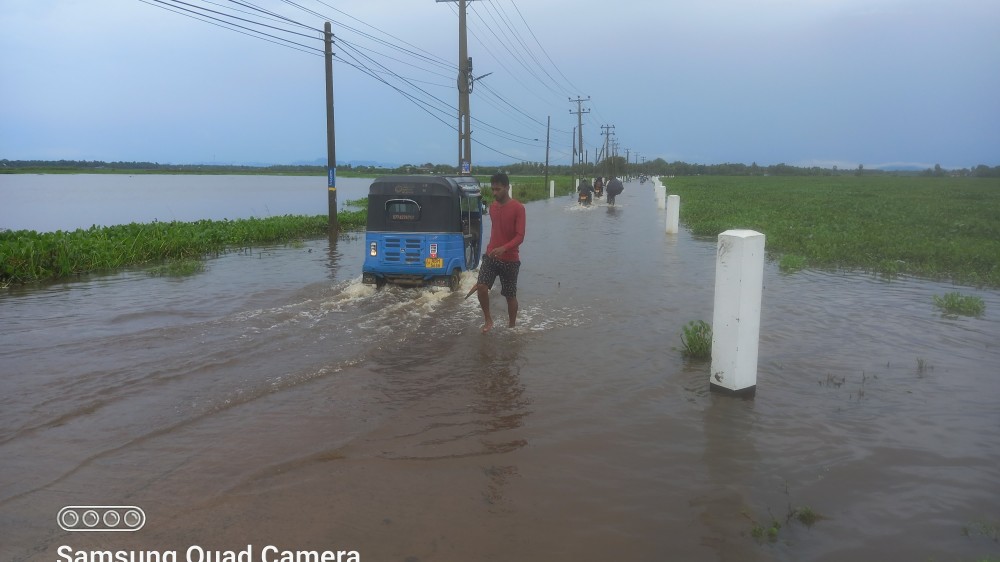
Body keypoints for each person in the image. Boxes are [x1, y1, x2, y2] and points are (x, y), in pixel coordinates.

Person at [467, 172, 526, 333]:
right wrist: (492, 250)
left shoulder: (518, 208)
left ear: (506, 187)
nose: (494, 192)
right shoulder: (492, 207)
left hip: (510, 259)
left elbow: (520, 236)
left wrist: (504, 248)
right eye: (492, 189)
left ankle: (512, 326)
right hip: (491, 255)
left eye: (497, 189)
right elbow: (496, 231)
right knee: (481, 287)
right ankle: (488, 320)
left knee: (510, 296)